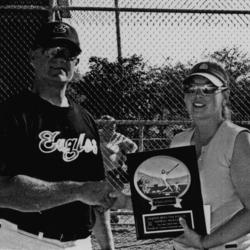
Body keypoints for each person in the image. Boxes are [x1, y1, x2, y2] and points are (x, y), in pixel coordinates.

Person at [109, 61, 250, 250]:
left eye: (208, 88)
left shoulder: (237, 139)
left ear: (225, 95)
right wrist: (125, 202)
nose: (198, 94)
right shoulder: (179, 141)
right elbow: (169, 201)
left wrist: (204, 242)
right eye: (190, 88)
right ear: (184, 96)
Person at [0, 21, 116, 250]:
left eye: (68, 53)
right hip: (23, 240)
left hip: (79, 243)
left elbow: (96, 193)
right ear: (33, 57)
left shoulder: (85, 119)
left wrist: (107, 246)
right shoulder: (11, 114)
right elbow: (3, 190)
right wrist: (77, 191)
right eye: (52, 51)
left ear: (76, 62)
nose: (60, 58)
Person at [99, 115, 138, 189]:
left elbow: (134, 146)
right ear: (103, 127)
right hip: (98, 169)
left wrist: (124, 156)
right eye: (109, 128)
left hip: (113, 170)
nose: (112, 130)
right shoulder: (96, 134)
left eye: (113, 128)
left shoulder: (118, 136)